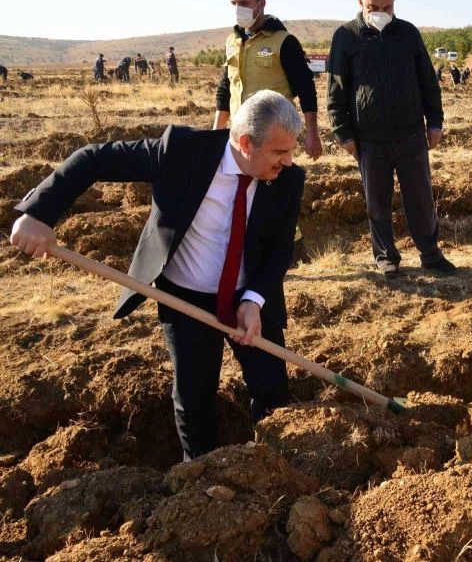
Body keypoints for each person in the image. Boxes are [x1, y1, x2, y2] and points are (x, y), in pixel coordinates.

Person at [9, 90, 305, 461]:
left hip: (249, 297)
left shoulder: (289, 180)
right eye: (280, 153)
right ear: (246, 143)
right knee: (195, 396)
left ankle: (275, 462)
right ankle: (198, 473)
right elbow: (92, 160)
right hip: (183, 297)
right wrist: (38, 213)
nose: (289, 162)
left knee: (271, 387)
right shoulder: (182, 152)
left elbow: (280, 250)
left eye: (292, 151)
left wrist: (253, 300)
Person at [328, 0, 456, 277]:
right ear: (360, 2)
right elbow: (336, 91)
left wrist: (435, 122)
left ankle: (430, 253)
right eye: (374, 6)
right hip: (369, 139)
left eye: (387, 7)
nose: (381, 13)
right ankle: (386, 256)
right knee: (377, 202)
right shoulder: (346, 37)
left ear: (394, 3)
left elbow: (428, 80)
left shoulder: (408, 33)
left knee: (421, 198)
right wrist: (343, 133)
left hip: (411, 134)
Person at [213, 0, 322, 162]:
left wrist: (312, 133)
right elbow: (226, 88)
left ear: (261, 4)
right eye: (234, 3)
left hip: (273, 134)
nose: (239, 8)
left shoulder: (284, 42)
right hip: (240, 133)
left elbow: (306, 88)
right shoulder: (233, 41)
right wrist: (216, 132)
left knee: (272, 186)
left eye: (245, 3)